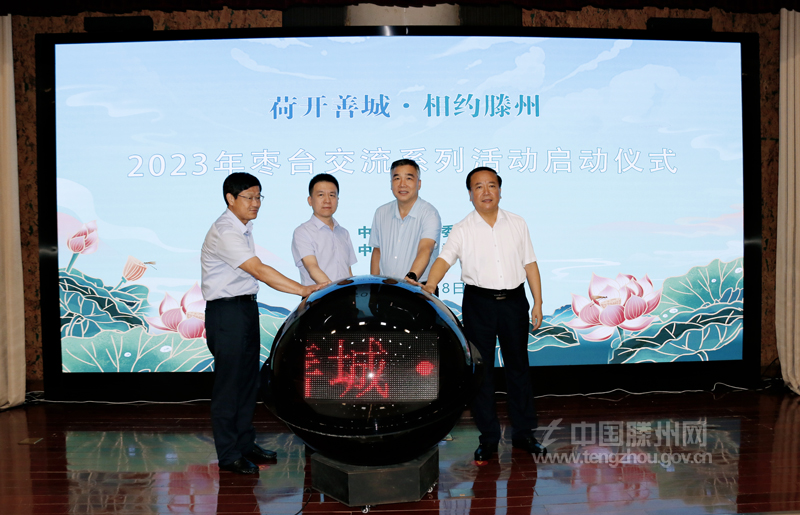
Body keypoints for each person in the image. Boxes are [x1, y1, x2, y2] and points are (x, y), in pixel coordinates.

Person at [201, 172, 325, 475]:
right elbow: (258, 269)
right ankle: (229, 455)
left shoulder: (243, 228)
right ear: (230, 199)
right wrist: (303, 289)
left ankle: (245, 444)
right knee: (229, 386)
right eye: (249, 197)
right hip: (226, 313)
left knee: (247, 382)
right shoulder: (226, 231)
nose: (256, 203)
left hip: (244, 309)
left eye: (259, 197)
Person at [418, 166, 546, 461]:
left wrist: (538, 302)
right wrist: (430, 285)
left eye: (491, 185)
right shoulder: (463, 228)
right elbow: (444, 259)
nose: (486, 192)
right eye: (478, 186)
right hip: (479, 304)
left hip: (514, 301)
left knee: (518, 368)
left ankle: (524, 434)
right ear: (470, 194)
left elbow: (530, 264)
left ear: (500, 190)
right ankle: (488, 438)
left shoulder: (517, 222)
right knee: (482, 372)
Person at [369, 159, 442, 287]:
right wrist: (374, 286)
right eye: (397, 178)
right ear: (391, 184)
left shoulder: (430, 213)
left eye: (409, 178)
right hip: (386, 287)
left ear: (419, 184)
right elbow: (377, 251)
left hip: (418, 287)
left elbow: (426, 249)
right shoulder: (381, 212)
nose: (402, 184)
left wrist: (410, 278)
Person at [291, 173, 357, 285]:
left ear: (337, 199)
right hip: (320, 295)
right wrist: (335, 291)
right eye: (321, 195)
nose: (327, 200)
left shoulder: (344, 233)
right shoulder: (302, 232)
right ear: (310, 200)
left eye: (332, 195)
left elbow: (348, 271)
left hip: (344, 295)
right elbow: (312, 267)